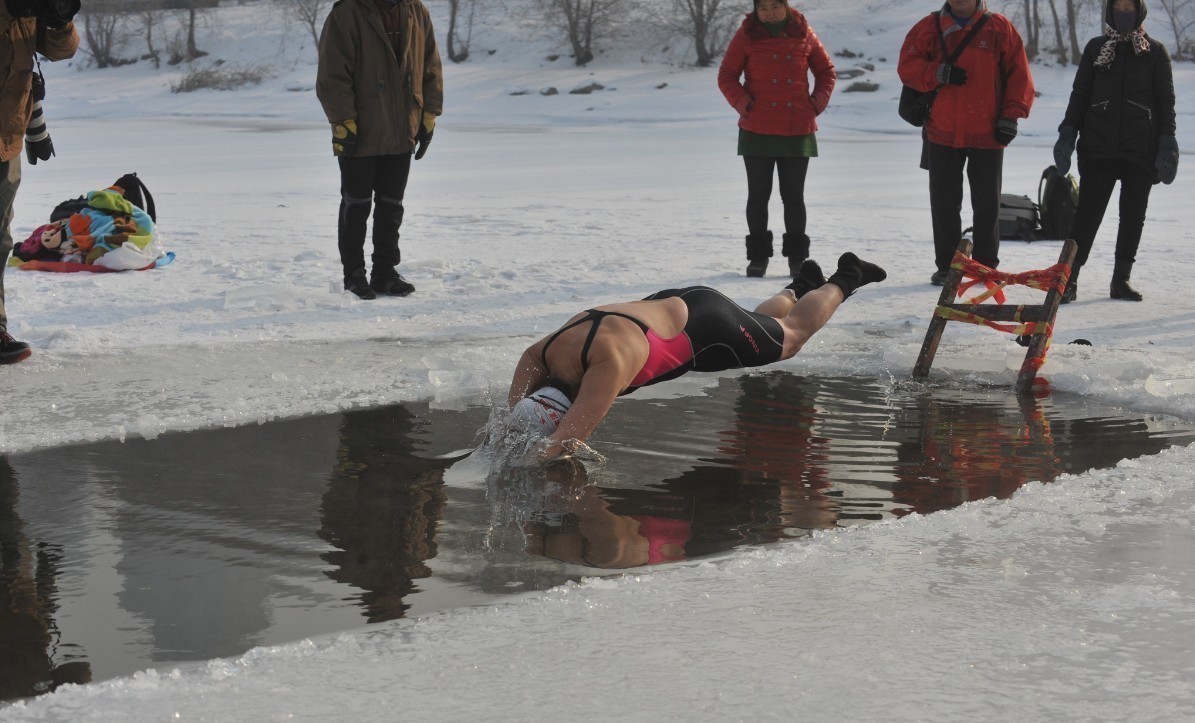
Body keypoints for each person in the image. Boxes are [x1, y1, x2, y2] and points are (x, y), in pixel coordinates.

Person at [506, 253, 887, 460]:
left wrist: (524, 462)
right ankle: (801, 286)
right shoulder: (540, 356)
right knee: (761, 325)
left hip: (705, 325)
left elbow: (564, 444)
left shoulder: (608, 368)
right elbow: (514, 416)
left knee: (791, 337)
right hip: (673, 313)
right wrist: (511, 430)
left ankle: (847, 276)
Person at [898, 0, 1034, 286]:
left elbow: (1019, 75)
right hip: (942, 131)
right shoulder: (929, 27)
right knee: (945, 203)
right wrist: (937, 73)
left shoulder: (1000, 28)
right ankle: (947, 265)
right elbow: (907, 67)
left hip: (988, 132)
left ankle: (986, 266)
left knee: (987, 204)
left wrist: (1011, 116)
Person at [316, 0, 444, 300]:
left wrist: (429, 113)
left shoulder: (415, 10)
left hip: (403, 126)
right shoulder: (347, 12)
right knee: (356, 203)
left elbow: (430, 64)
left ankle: (385, 272)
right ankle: (354, 275)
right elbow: (333, 74)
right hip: (361, 127)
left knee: (391, 204)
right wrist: (343, 122)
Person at [1053, 0, 1177, 304]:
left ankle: (1120, 280)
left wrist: (1167, 143)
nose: (1124, 13)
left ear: (1140, 11)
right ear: (1110, 12)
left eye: (1129, 8)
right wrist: (1067, 134)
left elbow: (1166, 103)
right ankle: (1068, 281)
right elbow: (1079, 95)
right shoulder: (1097, 49)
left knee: (1133, 216)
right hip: (1098, 147)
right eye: (1118, 8)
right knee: (1087, 216)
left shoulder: (1154, 52)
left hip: (1140, 149)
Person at [717, 0, 836, 279]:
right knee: (758, 195)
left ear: (785, 6)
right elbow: (727, 75)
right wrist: (745, 104)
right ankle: (758, 258)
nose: (769, 12)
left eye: (775, 6)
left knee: (793, 196)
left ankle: (797, 258)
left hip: (798, 127)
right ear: (756, 11)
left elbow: (826, 72)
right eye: (763, 8)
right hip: (756, 127)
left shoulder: (803, 32)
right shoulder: (746, 34)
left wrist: (815, 104)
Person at [0, 0, 79, 364]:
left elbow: (61, 51)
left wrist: (59, 20)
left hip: (7, 137)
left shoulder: (27, 8)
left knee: (0, 239)